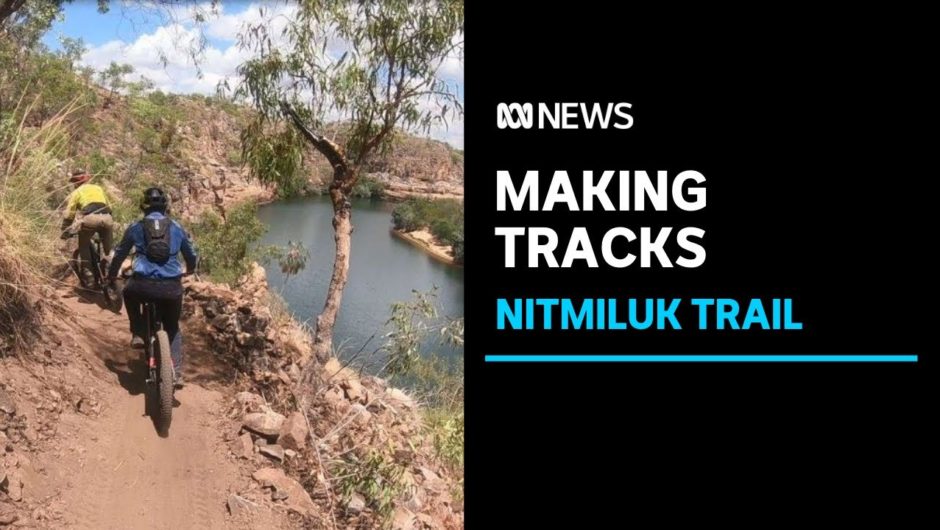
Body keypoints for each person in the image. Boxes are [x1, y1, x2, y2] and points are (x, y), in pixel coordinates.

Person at [107, 187, 197, 387]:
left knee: (129, 293)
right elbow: (191, 254)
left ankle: (138, 331)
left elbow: (121, 253)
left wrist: (112, 274)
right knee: (172, 327)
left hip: (142, 285)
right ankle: (177, 372)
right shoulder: (176, 227)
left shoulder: (136, 227)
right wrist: (190, 269)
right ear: (165, 207)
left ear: (144, 207)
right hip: (172, 288)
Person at [62, 169, 114, 288]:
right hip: (107, 217)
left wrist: (65, 230)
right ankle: (115, 271)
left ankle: (89, 276)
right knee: (108, 249)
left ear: (75, 183)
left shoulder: (77, 191)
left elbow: (70, 212)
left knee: (84, 246)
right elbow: (109, 206)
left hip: (90, 219)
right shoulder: (98, 188)